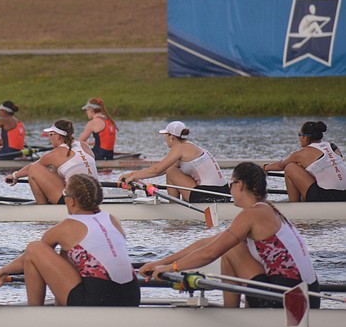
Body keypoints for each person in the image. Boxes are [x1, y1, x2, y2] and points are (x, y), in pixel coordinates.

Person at [139, 162, 320, 308]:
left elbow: (211, 252)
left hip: (293, 301)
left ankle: (232, 315)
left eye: (231, 184)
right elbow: (208, 242)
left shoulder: (252, 214)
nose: (230, 189)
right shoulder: (267, 210)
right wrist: (160, 263)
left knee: (230, 250)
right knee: (232, 246)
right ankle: (235, 312)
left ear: (240, 185)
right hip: (306, 294)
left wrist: (171, 269)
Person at [0, 174, 140, 307]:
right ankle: (60, 307)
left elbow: (29, 258)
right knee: (66, 253)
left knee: (35, 248)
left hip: (97, 300)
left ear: (71, 201)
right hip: (132, 296)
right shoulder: (112, 219)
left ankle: (34, 315)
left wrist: (1, 271)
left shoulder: (64, 228)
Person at [119, 121, 229, 203]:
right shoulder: (190, 147)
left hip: (210, 196)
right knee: (172, 170)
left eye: (165, 135)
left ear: (171, 136)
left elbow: (157, 170)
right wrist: (131, 175)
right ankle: (176, 206)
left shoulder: (179, 148)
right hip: (224, 193)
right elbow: (162, 168)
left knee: (171, 172)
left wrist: (133, 177)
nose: (164, 138)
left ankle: (174, 209)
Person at [5, 120, 98, 204]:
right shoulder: (84, 145)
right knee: (55, 171)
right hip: (96, 196)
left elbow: (31, 167)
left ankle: (43, 209)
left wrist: (14, 176)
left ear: (57, 136)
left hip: (75, 201)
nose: (49, 138)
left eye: (50, 135)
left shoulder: (56, 153)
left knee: (34, 168)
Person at [263, 121, 346, 202]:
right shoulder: (333, 146)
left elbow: (281, 165)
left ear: (306, 137)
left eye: (299, 135)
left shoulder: (302, 153)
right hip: (344, 194)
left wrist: (265, 167)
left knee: (290, 167)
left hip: (327, 195)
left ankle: (293, 207)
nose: (299, 138)